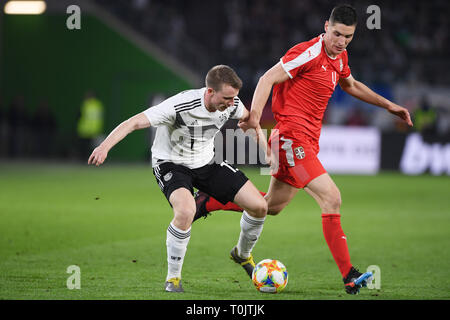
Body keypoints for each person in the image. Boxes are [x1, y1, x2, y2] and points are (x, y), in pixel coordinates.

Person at [193, 5, 413, 295]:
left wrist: (390, 106)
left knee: (271, 207)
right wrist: (256, 114)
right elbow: (267, 78)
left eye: (348, 36)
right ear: (326, 27)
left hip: (307, 142)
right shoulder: (308, 52)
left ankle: (210, 201)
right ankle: (349, 275)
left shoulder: (340, 56)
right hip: (290, 139)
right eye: (336, 33)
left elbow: (351, 84)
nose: (341, 41)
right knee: (332, 198)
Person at [88, 65, 268, 292]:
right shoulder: (178, 105)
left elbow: (250, 121)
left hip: (206, 162)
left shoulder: (232, 105)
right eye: (227, 98)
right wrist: (104, 147)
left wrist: (265, 150)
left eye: (235, 98)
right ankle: (173, 279)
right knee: (185, 211)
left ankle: (242, 254)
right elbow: (133, 122)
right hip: (170, 163)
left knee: (260, 206)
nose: (232, 103)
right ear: (210, 91)